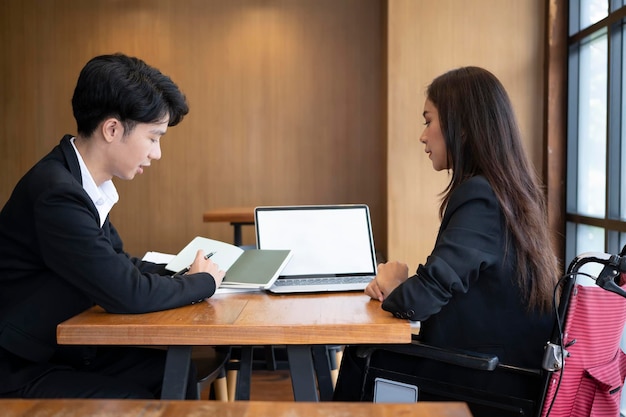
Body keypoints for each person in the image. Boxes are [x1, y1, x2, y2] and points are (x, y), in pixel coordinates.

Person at [333, 67, 560, 416]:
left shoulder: (481, 196)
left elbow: (422, 299)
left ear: (463, 127)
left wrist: (394, 283)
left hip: (490, 380)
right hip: (509, 372)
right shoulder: (509, 192)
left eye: (429, 121)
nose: (423, 136)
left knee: (364, 351)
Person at [0, 53, 225, 399]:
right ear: (112, 128)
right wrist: (201, 283)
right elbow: (126, 292)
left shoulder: (79, 179)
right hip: (20, 367)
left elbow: (116, 264)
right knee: (139, 399)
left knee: (174, 374)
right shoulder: (57, 194)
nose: (157, 153)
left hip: (58, 348)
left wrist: (181, 271)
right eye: (153, 138)